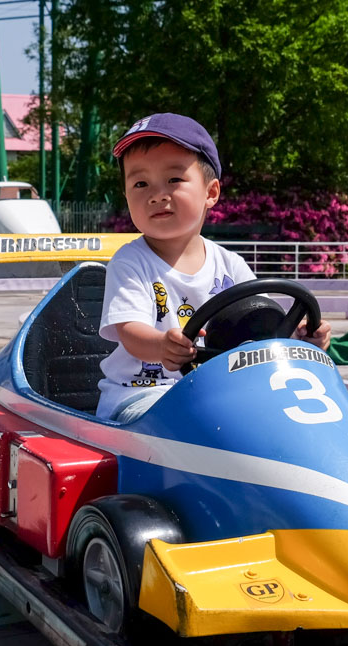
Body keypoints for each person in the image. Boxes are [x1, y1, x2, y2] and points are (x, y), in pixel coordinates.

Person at [96, 113, 332, 423]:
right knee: (203, 422)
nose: (157, 195)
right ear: (126, 196)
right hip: (142, 396)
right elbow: (130, 333)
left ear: (211, 192)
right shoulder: (130, 262)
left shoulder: (230, 265)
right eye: (140, 183)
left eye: (174, 179)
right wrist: (162, 345)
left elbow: (259, 326)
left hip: (218, 393)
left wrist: (300, 338)